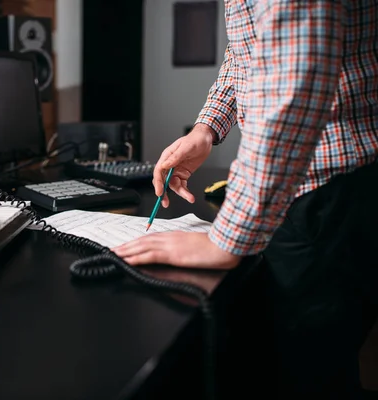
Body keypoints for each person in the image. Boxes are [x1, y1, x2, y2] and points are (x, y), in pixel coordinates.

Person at [113, 1, 378, 398]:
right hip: (307, 187)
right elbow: (246, 53)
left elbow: (294, 85)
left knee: (307, 380)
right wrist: (206, 127)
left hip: (327, 190)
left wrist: (228, 238)